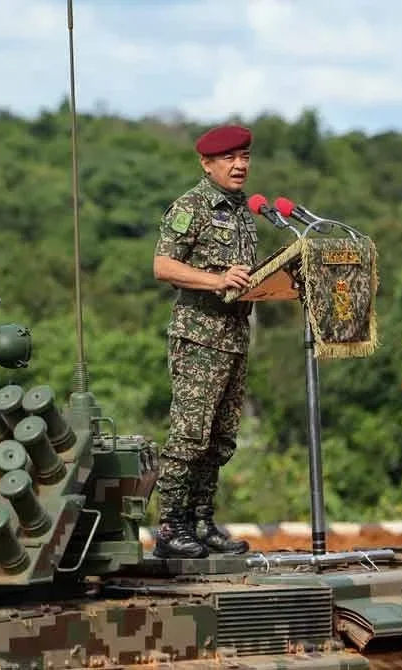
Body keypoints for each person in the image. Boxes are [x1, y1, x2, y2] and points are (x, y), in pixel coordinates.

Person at [151, 124, 258, 558]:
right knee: (188, 437)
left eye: (245, 157)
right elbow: (163, 265)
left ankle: (201, 521)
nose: (240, 166)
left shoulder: (243, 211)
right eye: (230, 159)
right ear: (207, 164)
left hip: (234, 337)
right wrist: (217, 280)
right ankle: (171, 527)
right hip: (199, 339)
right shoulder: (191, 206)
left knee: (219, 440)